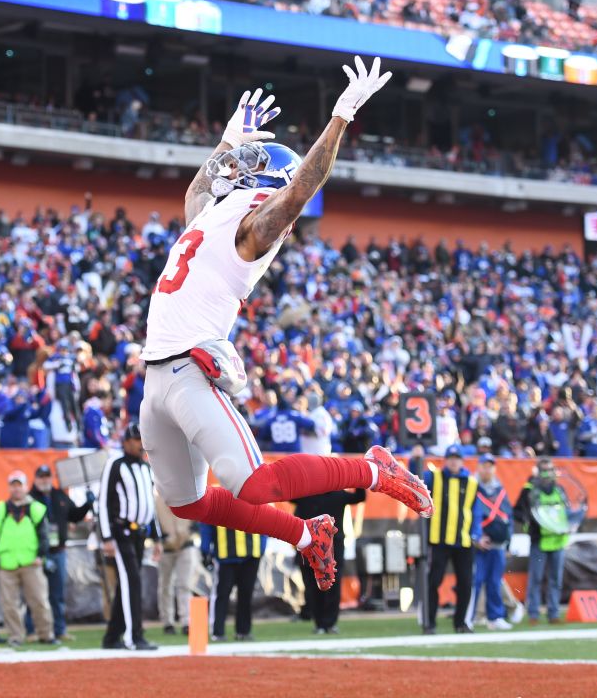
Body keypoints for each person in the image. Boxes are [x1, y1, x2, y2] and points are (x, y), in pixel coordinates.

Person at [138, 61, 431, 600]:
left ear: (263, 184)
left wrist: (340, 118)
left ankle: (371, 469)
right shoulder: (217, 216)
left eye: (246, 162)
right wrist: (226, 140)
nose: (234, 166)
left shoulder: (254, 224)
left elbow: (300, 189)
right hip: (156, 375)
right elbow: (193, 198)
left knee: (253, 485)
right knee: (187, 503)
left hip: (188, 371)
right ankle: (305, 534)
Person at [100, 423, 161, 650]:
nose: (140, 443)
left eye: (141, 439)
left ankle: (111, 638)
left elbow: (149, 505)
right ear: (126, 442)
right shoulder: (115, 465)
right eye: (136, 439)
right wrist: (106, 537)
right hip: (121, 532)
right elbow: (104, 503)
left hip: (140, 534)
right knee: (132, 581)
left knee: (127, 584)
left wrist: (157, 538)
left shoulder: (146, 468)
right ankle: (134, 636)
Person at [0, 470, 56, 647]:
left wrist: (41, 555)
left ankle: (46, 634)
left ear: (26, 487)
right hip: (6, 562)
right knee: (9, 604)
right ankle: (16, 636)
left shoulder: (37, 509)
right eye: (13, 485)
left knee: (39, 600)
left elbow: (44, 535)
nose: (17, 489)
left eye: (20, 485)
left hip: (31, 561)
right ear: (9, 487)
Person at [419, 446, 481, 634]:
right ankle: (429, 622)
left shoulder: (471, 482)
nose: (454, 461)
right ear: (445, 460)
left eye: (457, 458)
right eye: (451, 458)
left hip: (463, 541)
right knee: (433, 582)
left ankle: (460, 622)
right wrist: (417, 457)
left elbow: (475, 511)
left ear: (462, 461)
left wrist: (476, 534)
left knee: (465, 583)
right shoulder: (434, 477)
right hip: (439, 540)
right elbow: (415, 477)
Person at [29, 463, 94, 641]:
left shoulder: (59, 496)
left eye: (47, 476)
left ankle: (59, 629)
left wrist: (88, 504)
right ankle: (33, 630)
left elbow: (75, 515)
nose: (44, 480)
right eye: (41, 477)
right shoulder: (30, 498)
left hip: (58, 551)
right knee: (35, 593)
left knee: (57, 594)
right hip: (37, 554)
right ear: (35, 479)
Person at [292, 487, 365, 634]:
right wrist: (359, 478)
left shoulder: (307, 493)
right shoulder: (335, 494)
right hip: (323, 548)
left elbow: (359, 497)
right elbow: (360, 496)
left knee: (318, 586)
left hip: (319, 548)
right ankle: (326, 623)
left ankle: (323, 624)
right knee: (324, 586)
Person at [514, 458, 575, 625]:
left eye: (550, 470)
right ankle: (533, 614)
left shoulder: (560, 490)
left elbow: (567, 512)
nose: (547, 473)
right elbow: (517, 511)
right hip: (539, 541)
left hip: (558, 541)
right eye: (544, 470)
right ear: (538, 472)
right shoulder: (531, 491)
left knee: (556, 579)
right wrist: (528, 520)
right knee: (536, 578)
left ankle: (553, 613)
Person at [470, 455, 513, 631]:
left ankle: (495, 617)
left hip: (497, 545)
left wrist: (508, 542)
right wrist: (476, 537)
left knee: (495, 582)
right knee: (476, 581)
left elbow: (507, 517)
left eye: (490, 466)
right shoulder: (472, 487)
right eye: (484, 466)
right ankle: (469, 616)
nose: (487, 470)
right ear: (479, 467)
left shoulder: (500, 490)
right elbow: (468, 515)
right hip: (478, 545)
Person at [202, 523, 265, 642]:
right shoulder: (218, 503)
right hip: (226, 554)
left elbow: (266, 520)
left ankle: (243, 631)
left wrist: (261, 547)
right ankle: (218, 631)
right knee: (222, 594)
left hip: (251, 553)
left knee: (246, 594)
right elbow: (207, 522)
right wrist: (205, 549)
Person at [155, 494, 197, 635]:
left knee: (185, 584)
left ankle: (187, 622)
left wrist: (192, 530)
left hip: (185, 544)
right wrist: (158, 538)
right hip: (165, 547)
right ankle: (168, 622)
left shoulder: (184, 493)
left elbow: (197, 513)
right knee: (165, 586)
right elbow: (150, 521)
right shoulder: (155, 499)